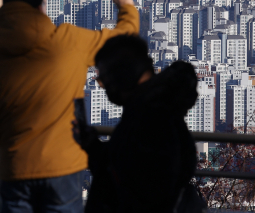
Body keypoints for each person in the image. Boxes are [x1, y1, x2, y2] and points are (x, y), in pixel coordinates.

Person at [0, 0, 139, 212]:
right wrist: (127, 7)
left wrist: (10, 138)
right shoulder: (68, 40)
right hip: (64, 167)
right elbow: (124, 41)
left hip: (15, 167)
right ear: (40, 6)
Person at [73, 35, 200, 213]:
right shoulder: (146, 110)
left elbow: (144, 188)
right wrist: (93, 146)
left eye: (104, 78)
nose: (102, 85)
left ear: (125, 73)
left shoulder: (154, 120)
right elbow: (124, 165)